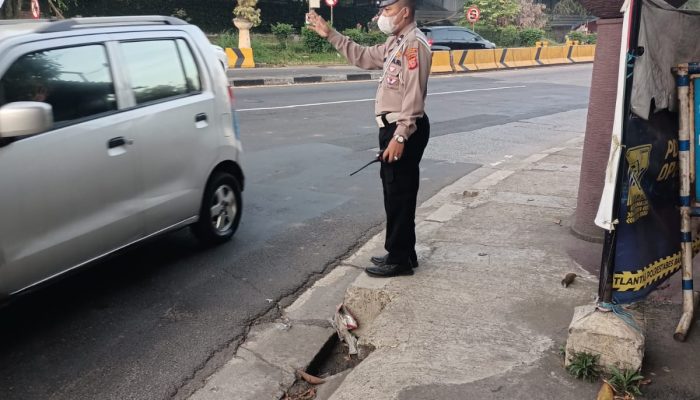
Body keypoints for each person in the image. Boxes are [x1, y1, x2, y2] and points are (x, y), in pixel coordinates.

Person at [306, 0, 431, 278]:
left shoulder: (414, 44)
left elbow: (413, 95)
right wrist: (330, 34)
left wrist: (400, 135)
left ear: (405, 12)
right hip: (394, 128)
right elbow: (362, 56)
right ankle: (404, 253)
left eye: (387, 11)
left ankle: (398, 259)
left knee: (399, 193)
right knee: (396, 192)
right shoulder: (395, 42)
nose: (382, 16)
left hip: (403, 128)